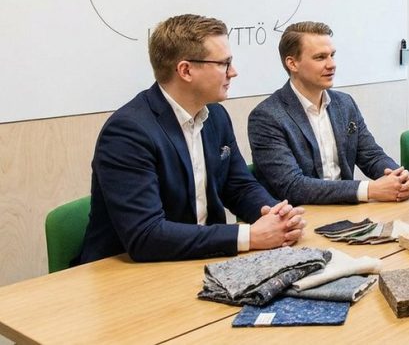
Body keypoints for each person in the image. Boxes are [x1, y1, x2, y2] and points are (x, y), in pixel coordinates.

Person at [79, 14, 306, 264]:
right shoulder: (128, 132)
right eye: (224, 63)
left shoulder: (216, 115)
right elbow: (146, 236)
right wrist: (249, 236)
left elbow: (240, 187)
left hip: (200, 258)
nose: (233, 72)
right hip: (129, 271)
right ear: (186, 70)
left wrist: (276, 216)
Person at [248, 22, 409, 205]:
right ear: (292, 63)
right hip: (302, 215)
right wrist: (369, 190)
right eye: (320, 57)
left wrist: (398, 177)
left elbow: (371, 155)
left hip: (349, 209)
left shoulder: (344, 104)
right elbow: (293, 186)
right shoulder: (266, 117)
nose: (331, 64)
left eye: (332, 55)